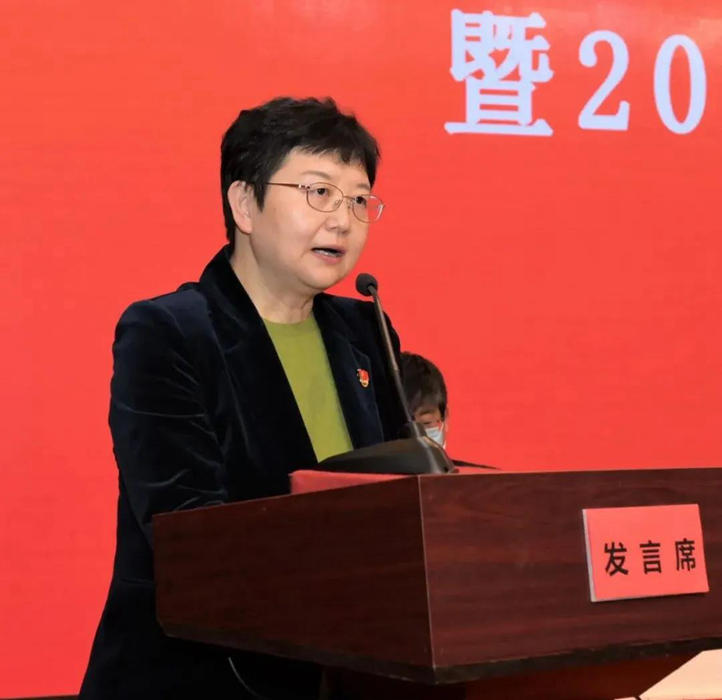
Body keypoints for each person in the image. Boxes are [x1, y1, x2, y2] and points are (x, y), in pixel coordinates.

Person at [80, 97, 404, 700]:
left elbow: (401, 509)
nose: (343, 220)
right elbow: (186, 529)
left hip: (345, 670)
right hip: (201, 675)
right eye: (319, 192)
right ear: (245, 204)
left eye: (360, 200)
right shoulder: (170, 333)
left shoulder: (367, 333)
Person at [401, 351, 496, 469]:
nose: (416, 436)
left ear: (445, 418)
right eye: (402, 426)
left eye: (426, 423)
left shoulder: (483, 479)